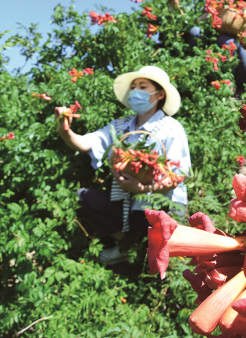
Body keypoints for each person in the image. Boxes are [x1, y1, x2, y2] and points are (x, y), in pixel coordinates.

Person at [55, 65, 191, 265]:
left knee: (160, 248)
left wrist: (143, 188)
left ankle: (142, 252)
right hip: (126, 199)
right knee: (84, 197)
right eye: (134, 86)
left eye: (142, 86)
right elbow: (87, 143)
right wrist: (65, 131)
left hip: (163, 202)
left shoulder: (172, 128)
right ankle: (128, 245)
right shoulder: (120, 126)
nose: (135, 91)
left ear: (159, 94)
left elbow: (178, 175)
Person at [189, 0, 246, 93]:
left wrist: (238, 34)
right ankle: (201, 70)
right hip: (218, 52)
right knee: (195, 30)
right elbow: (198, 24)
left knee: (227, 40)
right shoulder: (217, 8)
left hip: (243, 61)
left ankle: (229, 84)